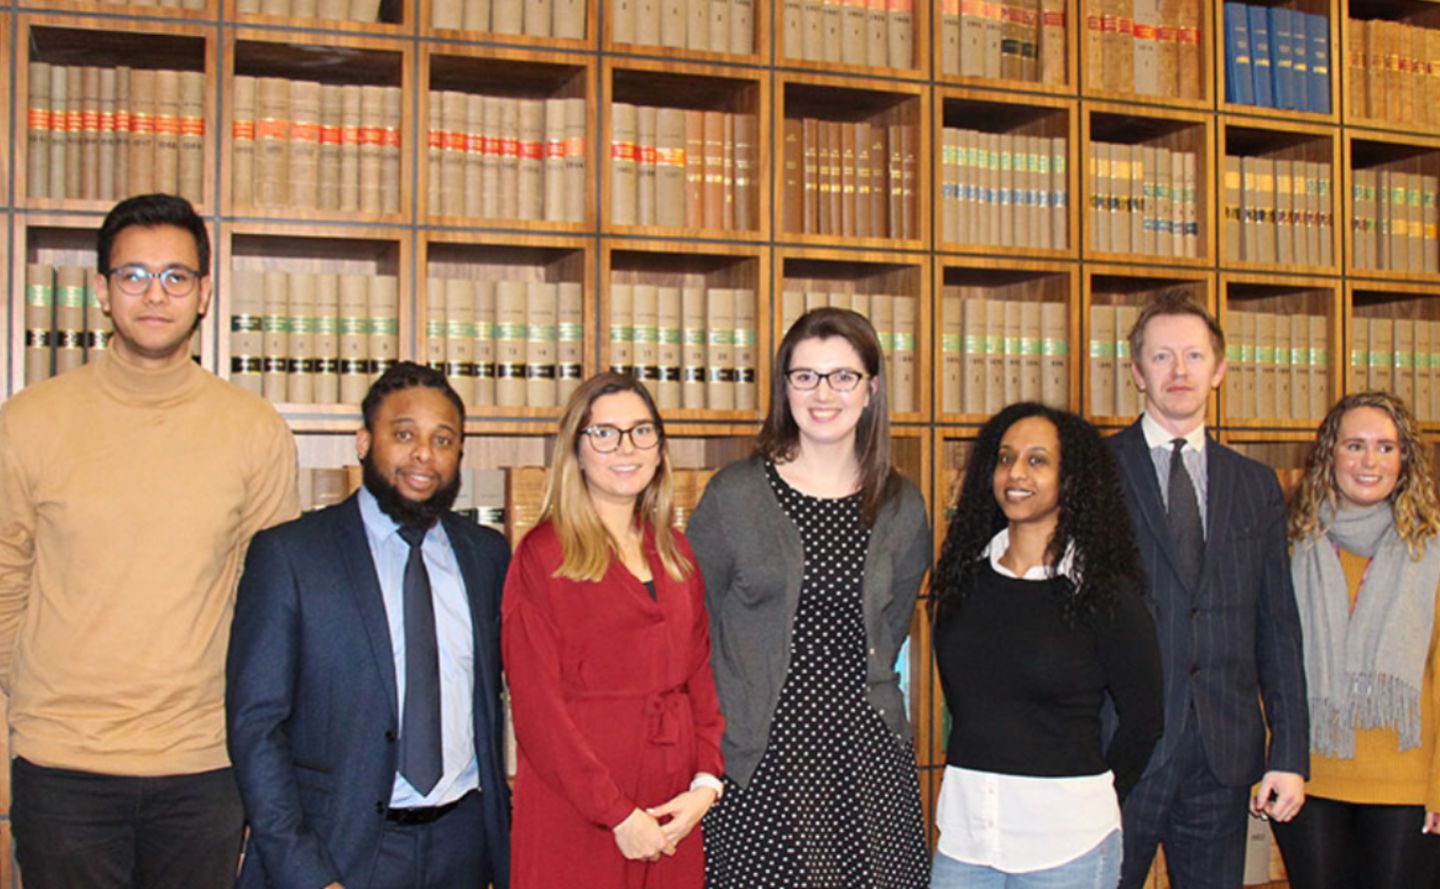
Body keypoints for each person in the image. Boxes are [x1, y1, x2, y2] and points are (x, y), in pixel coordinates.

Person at [0, 193, 298, 889]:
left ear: (203, 293)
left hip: (203, 768)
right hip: (62, 767)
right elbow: (4, 576)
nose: (154, 294)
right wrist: (42, 696)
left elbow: (268, 609)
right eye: (133, 275)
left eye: (175, 276)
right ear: (102, 291)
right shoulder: (29, 421)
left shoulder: (252, 431)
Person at [227, 362, 511, 888]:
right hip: (340, 850)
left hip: (463, 847)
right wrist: (305, 873)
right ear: (363, 442)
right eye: (404, 434)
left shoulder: (488, 556)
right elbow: (255, 729)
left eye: (443, 439)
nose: (424, 454)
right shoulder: (290, 555)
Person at [688, 307, 932, 888]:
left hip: (866, 761)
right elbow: (694, 625)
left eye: (842, 376)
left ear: (871, 390)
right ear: (785, 387)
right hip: (762, 761)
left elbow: (891, 627)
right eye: (806, 376)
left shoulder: (902, 505)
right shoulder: (734, 496)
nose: (824, 393)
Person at [1110, 291, 1309, 889]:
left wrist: (1290, 755)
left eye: (1194, 356)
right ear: (1138, 372)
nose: (1179, 371)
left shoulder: (1256, 487)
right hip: (1119, 752)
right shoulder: (1094, 471)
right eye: (1163, 356)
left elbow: (1278, 627)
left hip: (1222, 757)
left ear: (1219, 371)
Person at [502, 371, 724, 887]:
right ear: (576, 450)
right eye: (604, 433)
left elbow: (701, 684)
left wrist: (706, 785)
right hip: (579, 815)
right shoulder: (544, 556)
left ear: (660, 447)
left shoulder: (676, 553)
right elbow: (537, 712)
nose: (626, 447)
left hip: (674, 812)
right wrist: (618, 814)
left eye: (642, 431)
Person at [930, 402, 1164, 887]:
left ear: (1072, 479)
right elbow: (968, 706)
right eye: (1004, 458)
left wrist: (1086, 798)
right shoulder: (960, 584)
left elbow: (1145, 719)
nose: (1015, 473)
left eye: (1037, 460)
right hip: (966, 840)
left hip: (1068, 846)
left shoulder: (1103, 594)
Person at [1270, 392, 1440, 888]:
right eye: (1355, 445)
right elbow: (1266, 663)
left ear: (1405, 460)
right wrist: (1270, 765)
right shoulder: (1287, 544)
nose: (1370, 462)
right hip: (1307, 776)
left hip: (1406, 786)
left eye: (1386, 448)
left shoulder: (1430, 552)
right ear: (1329, 455)